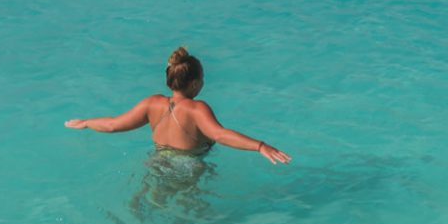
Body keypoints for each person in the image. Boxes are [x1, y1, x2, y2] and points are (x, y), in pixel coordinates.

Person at [65, 47, 291, 164]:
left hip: (156, 161)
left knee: (149, 201)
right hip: (187, 167)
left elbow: (114, 125)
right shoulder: (197, 109)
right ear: (194, 84)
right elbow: (220, 135)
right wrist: (260, 146)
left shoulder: (151, 103)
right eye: (202, 78)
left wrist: (86, 122)